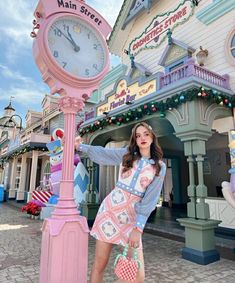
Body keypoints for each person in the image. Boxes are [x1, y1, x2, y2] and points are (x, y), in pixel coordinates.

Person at [75, 122, 166, 283]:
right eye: (138, 136)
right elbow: (104, 153)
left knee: (137, 275)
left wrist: (138, 227)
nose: (142, 138)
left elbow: (151, 199)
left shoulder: (159, 166)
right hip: (109, 212)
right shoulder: (127, 154)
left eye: (146, 134)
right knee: (99, 265)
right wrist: (80, 146)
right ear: (134, 140)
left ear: (152, 136)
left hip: (132, 218)